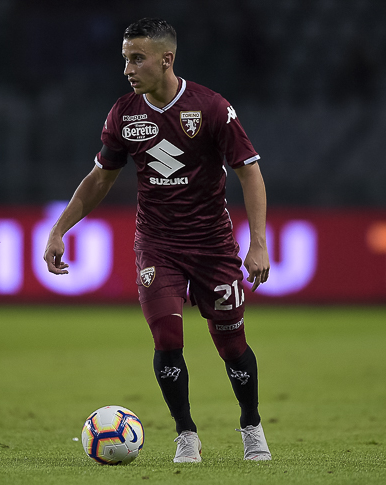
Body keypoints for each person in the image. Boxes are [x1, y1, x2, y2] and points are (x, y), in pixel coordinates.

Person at [43, 18, 272, 462]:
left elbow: (249, 171)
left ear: (166, 59)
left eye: (137, 59)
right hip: (157, 244)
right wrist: (58, 229)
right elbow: (100, 178)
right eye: (125, 59)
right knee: (167, 340)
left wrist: (258, 242)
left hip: (212, 245)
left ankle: (251, 425)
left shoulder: (211, 108)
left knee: (231, 345)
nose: (127, 69)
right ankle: (186, 434)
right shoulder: (124, 114)